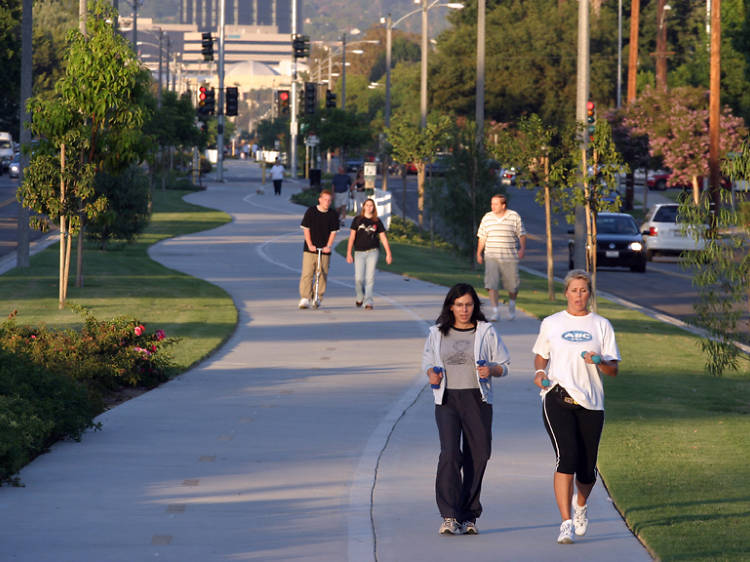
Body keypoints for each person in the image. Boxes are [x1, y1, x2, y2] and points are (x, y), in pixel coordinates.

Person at [531, 269, 620, 545]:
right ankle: (565, 522)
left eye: (583, 290)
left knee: (587, 469)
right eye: (574, 290)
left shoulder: (601, 325)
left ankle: (580, 505)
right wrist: (539, 374)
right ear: (566, 292)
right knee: (566, 457)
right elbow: (540, 356)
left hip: (591, 402)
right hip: (557, 396)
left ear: (589, 293)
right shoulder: (552, 323)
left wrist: (598, 361)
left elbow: (613, 370)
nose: (578, 295)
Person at [421, 283, 511, 536]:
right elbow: (428, 361)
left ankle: (468, 515)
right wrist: (431, 374)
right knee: (450, 454)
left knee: (479, 455)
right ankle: (449, 515)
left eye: (469, 305)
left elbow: (504, 365)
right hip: (448, 400)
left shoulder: (486, 332)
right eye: (459, 305)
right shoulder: (437, 333)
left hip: (477, 400)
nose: (464, 310)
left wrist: (491, 370)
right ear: (451, 306)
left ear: (475, 307)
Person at [476, 194, 527, 321]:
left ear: (503, 205)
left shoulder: (514, 216)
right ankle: (495, 311)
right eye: (492, 204)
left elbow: (522, 234)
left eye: (495, 204)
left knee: (513, 286)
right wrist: (479, 253)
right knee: (491, 284)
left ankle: (511, 305)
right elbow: (482, 237)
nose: (492, 206)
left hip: (510, 257)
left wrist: (522, 248)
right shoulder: (487, 218)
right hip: (491, 256)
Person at [345, 198, 393, 310]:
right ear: (364, 207)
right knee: (358, 278)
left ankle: (369, 301)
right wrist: (348, 253)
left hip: (373, 251)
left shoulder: (377, 221)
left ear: (374, 207)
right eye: (367, 205)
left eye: (371, 205)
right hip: (359, 252)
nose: (369, 207)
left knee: (370, 277)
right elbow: (352, 237)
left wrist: (388, 253)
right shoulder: (357, 220)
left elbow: (383, 238)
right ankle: (359, 296)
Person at [298, 189, 340, 309]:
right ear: (320, 200)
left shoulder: (332, 214)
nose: (327, 202)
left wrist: (329, 246)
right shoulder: (311, 211)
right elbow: (306, 229)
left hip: (324, 249)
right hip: (310, 248)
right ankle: (305, 297)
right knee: (308, 273)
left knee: (322, 273)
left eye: (329, 200)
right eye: (325, 200)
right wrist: (310, 244)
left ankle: (317, 297)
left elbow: (333, 232)